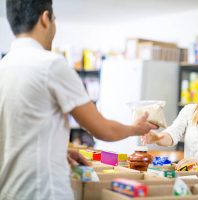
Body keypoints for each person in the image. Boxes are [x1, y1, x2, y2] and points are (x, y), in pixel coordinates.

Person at [0, 0, 157, 199]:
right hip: (43, 191)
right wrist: (136, 128)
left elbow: (16, 132)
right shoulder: (50, 64)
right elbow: (103, 130)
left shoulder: (4, 66)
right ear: (45, 19)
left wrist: (58, 151)